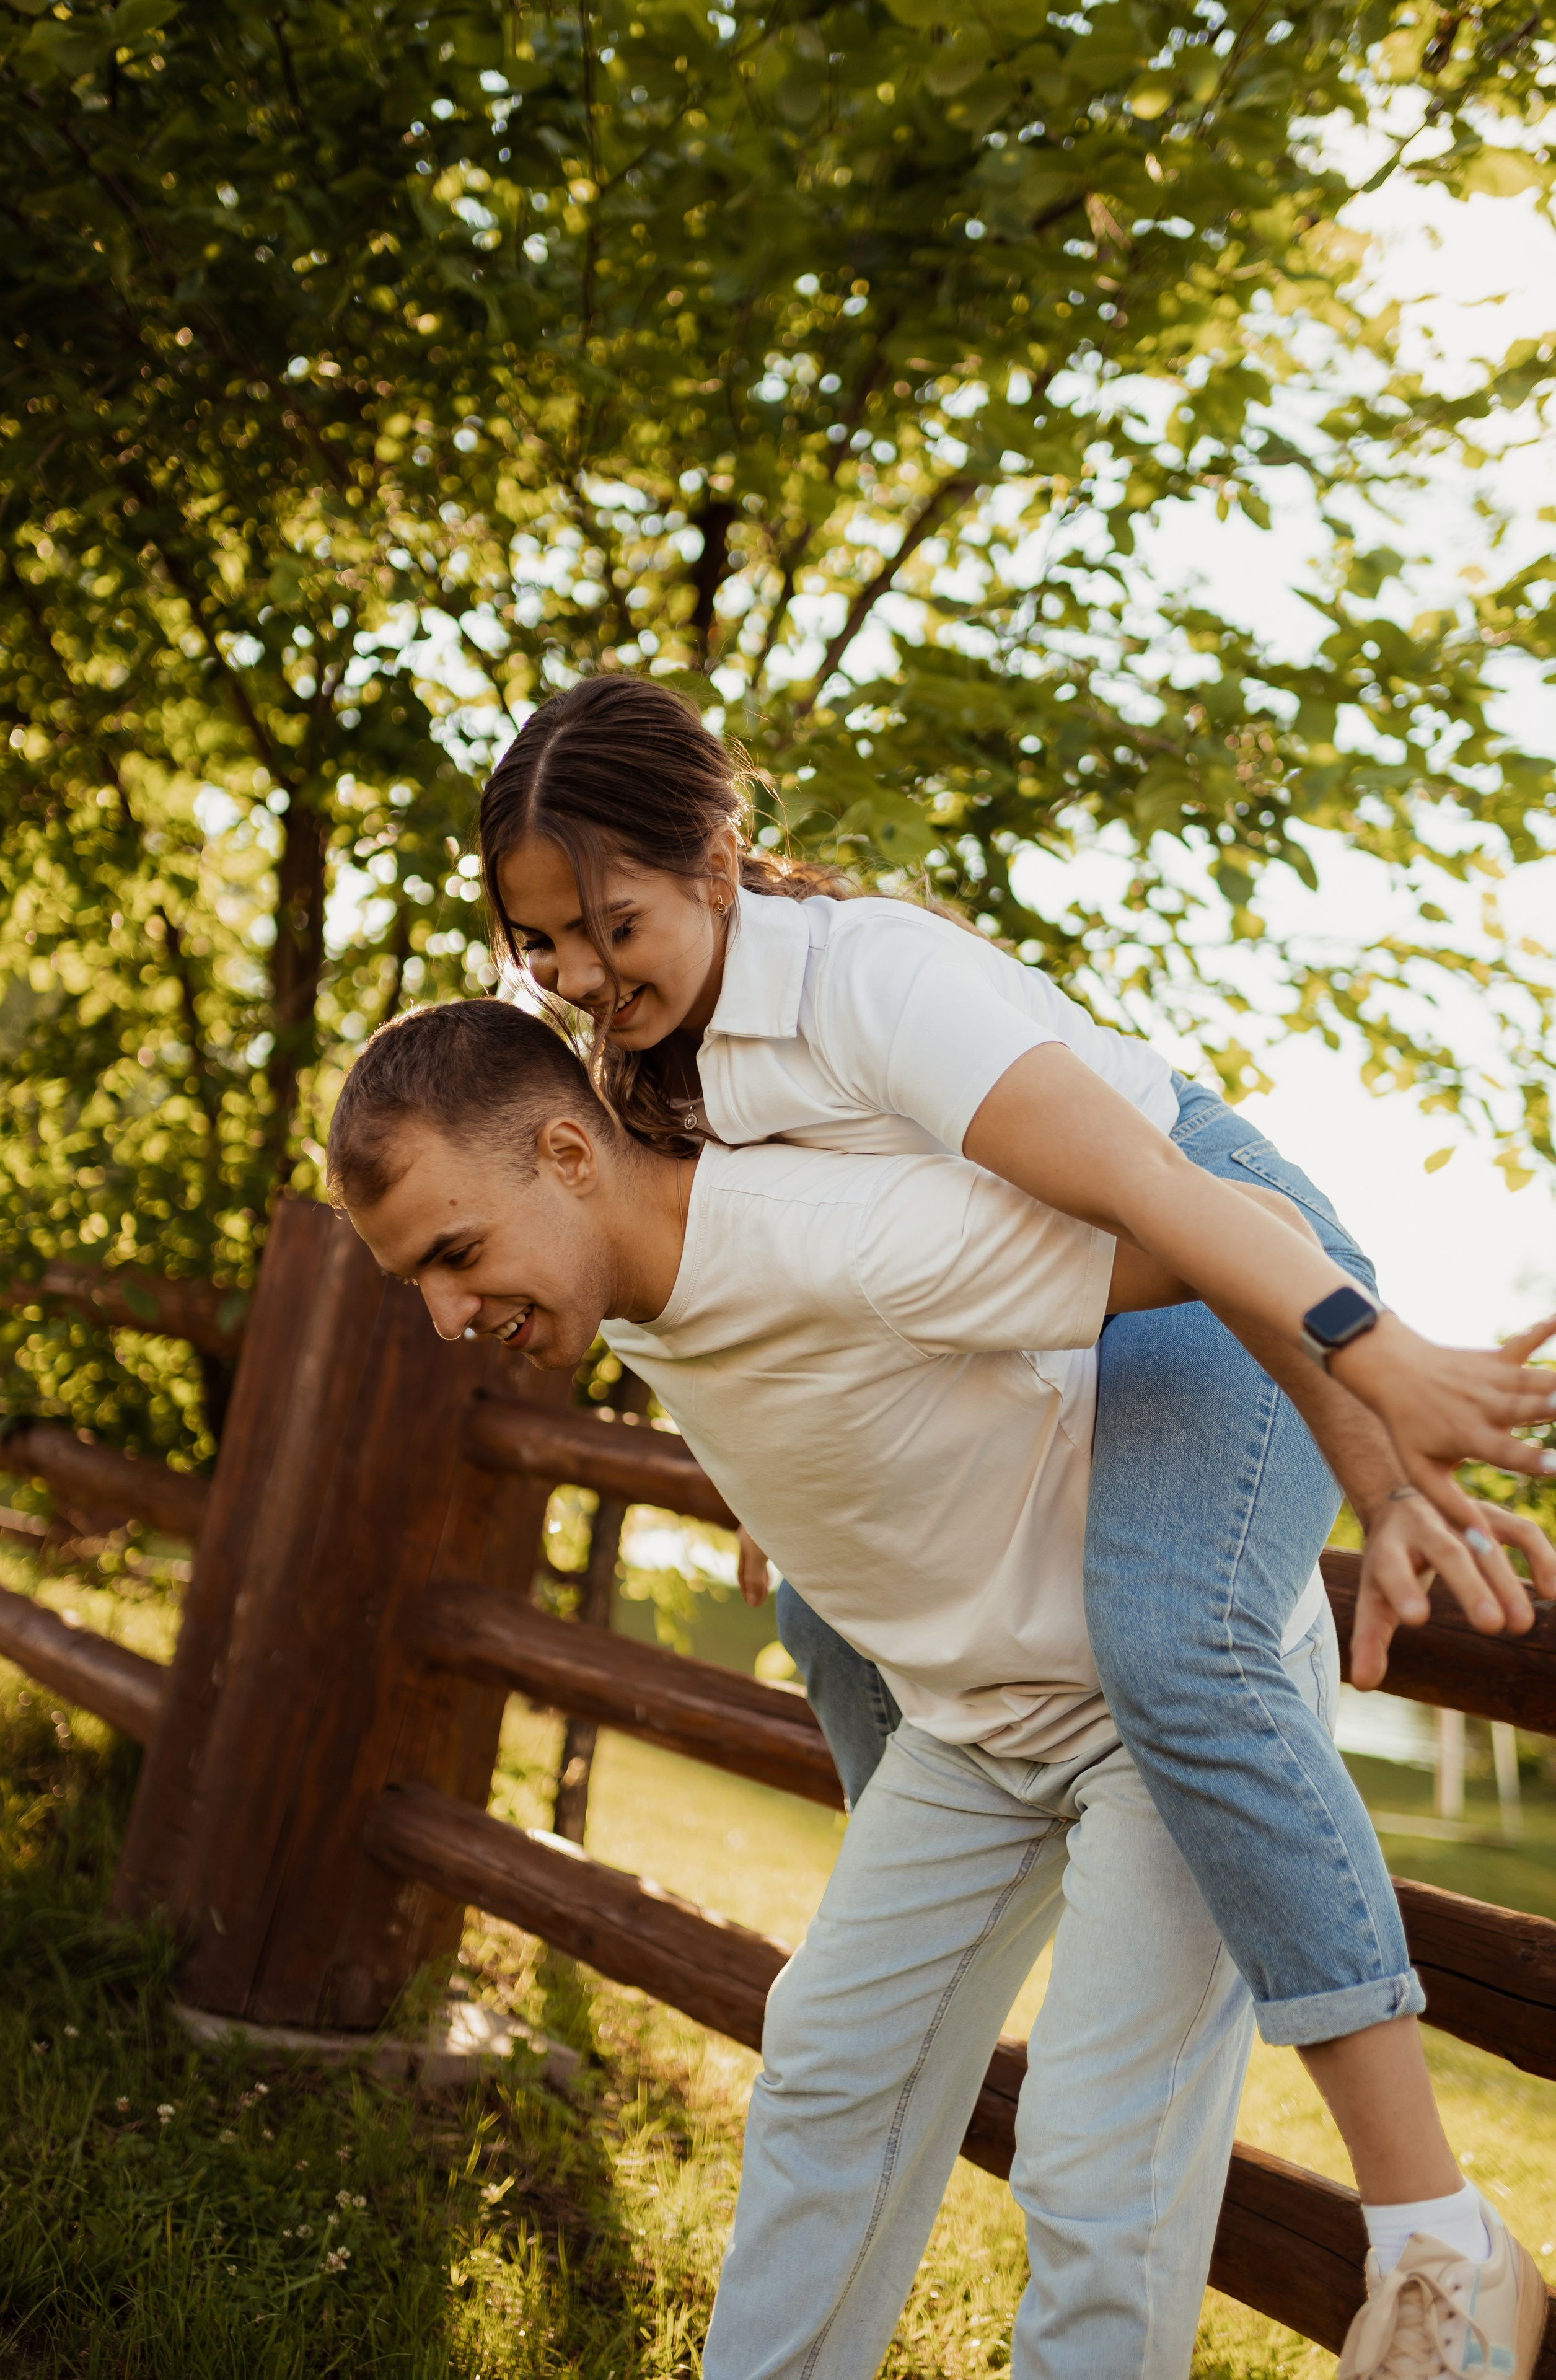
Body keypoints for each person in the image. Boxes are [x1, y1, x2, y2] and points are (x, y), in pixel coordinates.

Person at [469, 673, 1556, 2355]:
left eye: (610, 924)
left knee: (1172, 1642)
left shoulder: (870, 985)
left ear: (719, 856)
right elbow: (749, 1296)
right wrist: (794, 1481)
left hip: (1218, 1245)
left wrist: (1370, 1430)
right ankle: (951, 1916)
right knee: (828, 1615)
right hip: (1083, 1302)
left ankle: (1435, 2234)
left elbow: (1163, 1204)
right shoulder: (647, 1075)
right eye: (542, 944)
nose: (581, 980)